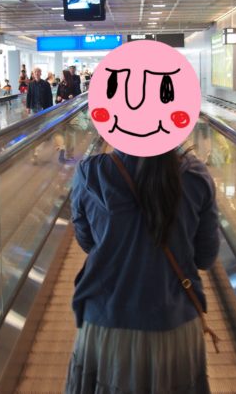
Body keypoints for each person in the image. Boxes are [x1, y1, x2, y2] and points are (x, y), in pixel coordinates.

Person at [65, 148, 221, 393]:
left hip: (106, 326)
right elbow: (206, 257)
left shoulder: (91, 173)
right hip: (175, 327)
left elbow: (87, 242)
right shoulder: (195, 175)